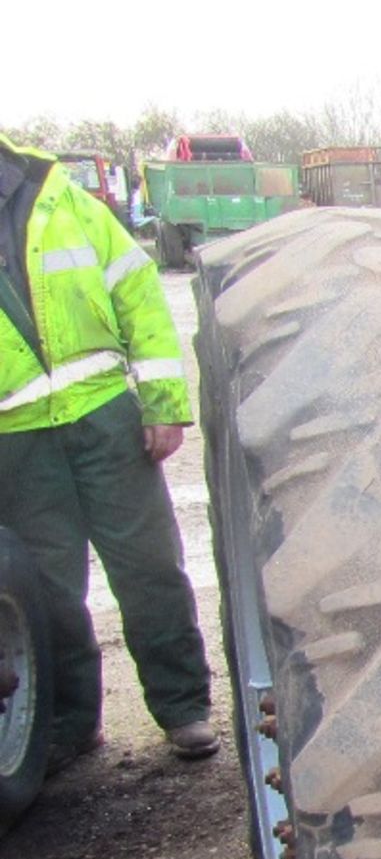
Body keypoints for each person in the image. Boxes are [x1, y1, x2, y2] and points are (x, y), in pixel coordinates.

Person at [0, 134, 219, 767]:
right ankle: (71, 724)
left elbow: (140, 298)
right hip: (15, 437)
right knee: (45, 590)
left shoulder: (64, 202)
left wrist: (162, 404)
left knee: (148, 565)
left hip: (103, 416)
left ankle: (183, 708)